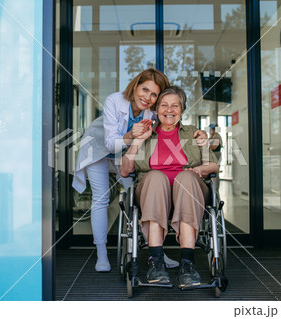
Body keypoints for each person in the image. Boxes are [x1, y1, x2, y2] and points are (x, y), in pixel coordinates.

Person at [72, 70, 208, 272]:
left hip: (124, 155)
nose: (147, 97)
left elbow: (169, 125)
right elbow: (110, 144)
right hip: (99, 149)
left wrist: (204, 137)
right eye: (145, 89)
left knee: (139, 197)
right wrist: (129, 135)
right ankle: (101, 255)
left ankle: (157, 251)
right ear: (135, 86)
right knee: (100, 198)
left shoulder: (153, 112)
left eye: (154, 94)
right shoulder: (114, 101)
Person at [120, 86, 219, 288]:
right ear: (156, 110)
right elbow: (124, 170)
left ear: (182, 110)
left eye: (175, 105)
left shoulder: (193, 133)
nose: (169, 109)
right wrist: (138, 141)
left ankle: (187, 264)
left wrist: (198, 169)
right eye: (164, 105)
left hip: (189, 191)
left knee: (186, 177)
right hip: (152, 193)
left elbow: (213, 165)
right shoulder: (146, 132)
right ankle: (156, 261)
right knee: (155, 177)